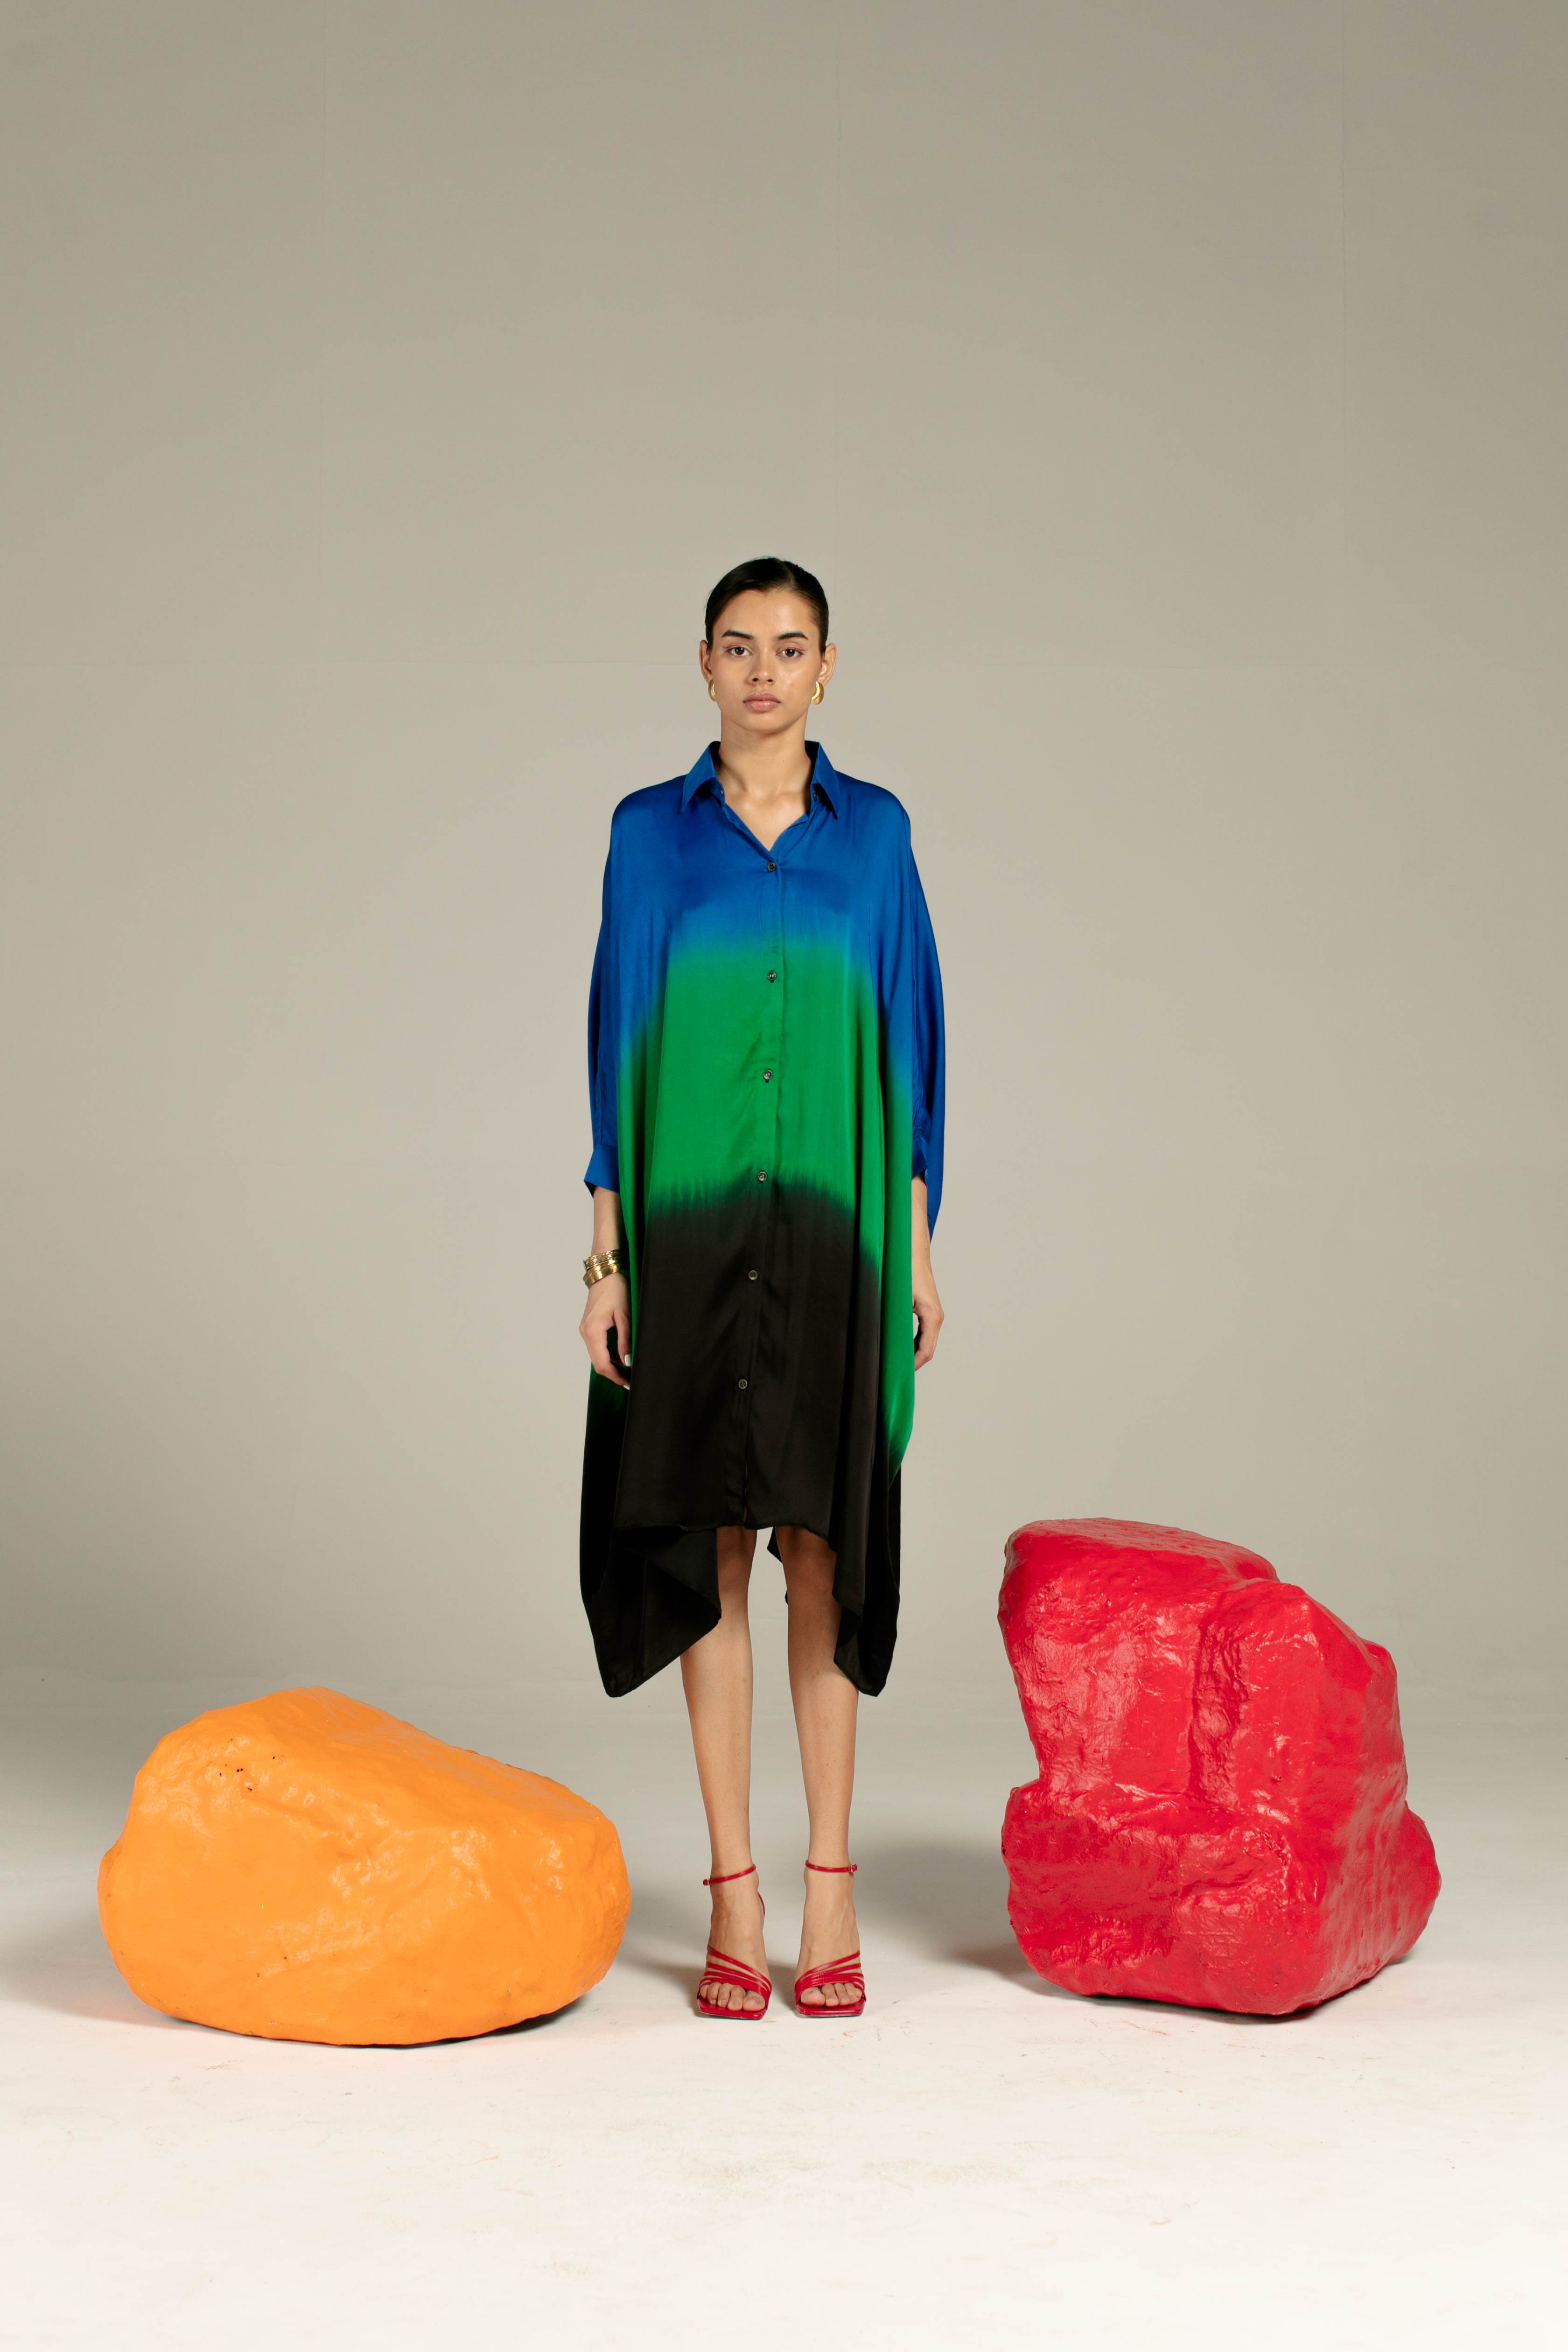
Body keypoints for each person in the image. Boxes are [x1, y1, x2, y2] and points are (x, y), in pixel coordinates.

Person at [577, 557, 945, 2019]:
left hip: (836, 1233)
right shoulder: (646, 836)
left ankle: (830, 1880)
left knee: (824, 1547)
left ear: (828, 668)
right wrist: (606, 1257)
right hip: (688, 1229)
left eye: (791, 649)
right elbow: (616, 1041)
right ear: (705, 665)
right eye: (739, 647)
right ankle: (734, 1886)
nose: (764, 674)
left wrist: (918, 1243)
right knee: (715, 1548)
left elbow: (910, 1039)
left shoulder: (880, 836)